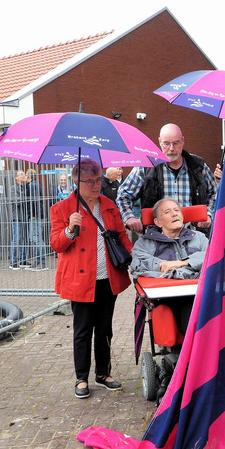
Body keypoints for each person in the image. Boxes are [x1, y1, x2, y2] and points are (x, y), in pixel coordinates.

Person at [50, 159, 133, 399]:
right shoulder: (63, 209)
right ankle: (82, 377)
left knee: (105, 328)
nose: (96, 185)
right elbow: (56, 244)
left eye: (98, 180)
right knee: (83, 330)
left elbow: (120, 236)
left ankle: (103, 374)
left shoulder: (108, 204)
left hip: (108, 277)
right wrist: (68, 230)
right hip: (80, 280)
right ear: (76, 182)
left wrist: (133, 257)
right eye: (90, 181)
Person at [116, 124, 217, 235]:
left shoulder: (198, 166)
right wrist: (129, 217)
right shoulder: (146, 166)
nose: (171, 148)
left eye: (175, 143)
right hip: (157, 238)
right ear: (160, 142)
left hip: (193, 236)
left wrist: (208, 214)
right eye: (166, 144)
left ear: (182, 141)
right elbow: (123, 194)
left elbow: (215, 194)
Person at [131, 198, 208, 336]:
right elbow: (139, 265)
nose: (174, 214)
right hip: (167, 298)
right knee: (187, 309)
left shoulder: (199, 237)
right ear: (158, 222)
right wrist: (163, 266)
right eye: (168, 211)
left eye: (177, 210)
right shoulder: (146, 243)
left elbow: (214, 256)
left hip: (200, 294)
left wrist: (182, 263)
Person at [25, 168, 49, 270]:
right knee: (34, 238)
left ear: (28, 176)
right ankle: (38, 261)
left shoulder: (32, 186)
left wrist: (33, 214)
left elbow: (34, 201)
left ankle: (42, 262)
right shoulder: (33, 185)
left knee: (36, 238)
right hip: (37, 215)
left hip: (36, 216)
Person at [9, 170, 29, 269]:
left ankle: (23, 260)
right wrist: (25, 198)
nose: (23, 176)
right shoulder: (13, 188)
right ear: (16, 178)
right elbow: (16, 201)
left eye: (24, 174)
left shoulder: (25, 188)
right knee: (16, 239)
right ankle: (13, 261)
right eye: (21, 175)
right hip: (17, 217)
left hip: (25, 217)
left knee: (25, 239)